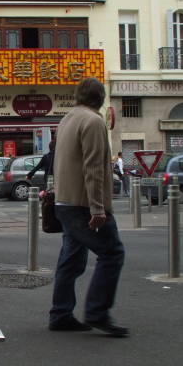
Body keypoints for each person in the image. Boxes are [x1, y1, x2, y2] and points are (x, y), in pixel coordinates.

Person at [49, 77, 128, 337]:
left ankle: (60, 314)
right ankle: (97, 312)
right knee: (112, 253)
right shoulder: (93, 121)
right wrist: (98, 208)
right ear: (101, 98)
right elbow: (93, 167)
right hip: (83, 204)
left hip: (65, 201)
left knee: (71, 259)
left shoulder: (67, 119)